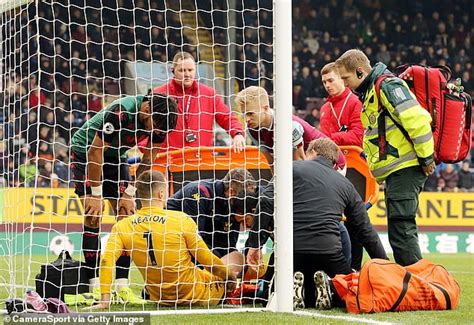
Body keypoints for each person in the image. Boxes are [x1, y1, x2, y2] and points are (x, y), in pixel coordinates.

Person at [246, 138, 387, 309]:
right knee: (348, 291)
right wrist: (385, 265)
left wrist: (255, 245)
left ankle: (294, 290)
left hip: (290, 252)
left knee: (268, 294)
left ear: (311, 152)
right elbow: (365, 230)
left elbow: (267, 202)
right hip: (329, 253)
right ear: (334, 163)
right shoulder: (345, 184)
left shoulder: (290, 168)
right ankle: (331, 288)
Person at [70, 93, 178, 304]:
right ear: (146, 111)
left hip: (116, 157)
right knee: (93, 216)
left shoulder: (161, 123)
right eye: (152, 128)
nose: (154, 133)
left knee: (128, 218)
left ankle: (122, 286)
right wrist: (95, 194)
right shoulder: (120, 112)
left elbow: (148, 159)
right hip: (86, 152)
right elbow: (95, 152)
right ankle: (94, 286)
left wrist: (129, 194)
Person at [335, 49, 435, 266]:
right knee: (399, 229)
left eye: (346, 78)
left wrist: (427, 159)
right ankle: (412, 282)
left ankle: (414, 285)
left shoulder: (388, 86)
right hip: (398, 171)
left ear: (360, 72)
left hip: (407, 168)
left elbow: (417, 121)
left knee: (402, 228)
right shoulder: (373, 90)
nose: (344, 84)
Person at [91, 170, 237, 308]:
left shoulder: (122, 226)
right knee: (238, 259)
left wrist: (105, 299)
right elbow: (205, 258)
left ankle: (144, 292)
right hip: (196, 293)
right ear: (161, 194)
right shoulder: (181, 219)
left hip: (160, 297)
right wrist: (228, 275)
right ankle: (252, 289)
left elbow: (106, 260)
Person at [167, 168, 257, 276]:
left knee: (238, 258)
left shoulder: (234, 206)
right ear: (231, 192)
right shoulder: (199, 192)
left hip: (201, 252)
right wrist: (221, 269)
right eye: (244, 200)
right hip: (174, 248)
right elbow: (194, 242)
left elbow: (228, 247)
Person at [236, 86, 346, 173]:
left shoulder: (289, 126)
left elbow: (301, 165)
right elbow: (271, 162)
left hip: (333, 165)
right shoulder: (252, 130)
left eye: (250, 113)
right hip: (310, 167)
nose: (246, 119)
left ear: (265, 108)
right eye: (244, 114)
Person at [153, 51, 245, 152]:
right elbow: (143, 123)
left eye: (190, 70)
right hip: (169, 160)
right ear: (173, 71)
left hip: (202, 160)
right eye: (182, 70)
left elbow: (227, 117)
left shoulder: (208, 93)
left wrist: (238, 134)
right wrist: (147, 149)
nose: (187, 74)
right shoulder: (159, 93)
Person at [319, 62, 364, 147]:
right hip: (326, 158)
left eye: (330, 80)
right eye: (324, 82)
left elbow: (358, 137)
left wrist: (329, 139)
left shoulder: (356, 103)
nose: (327, 85)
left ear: (342, 79)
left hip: (351, 158)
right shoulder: (324, 108)